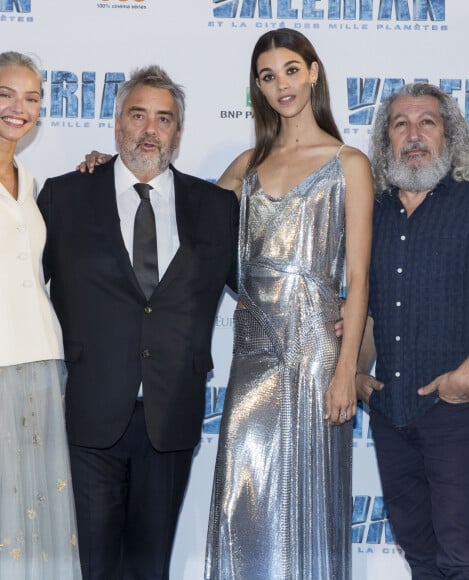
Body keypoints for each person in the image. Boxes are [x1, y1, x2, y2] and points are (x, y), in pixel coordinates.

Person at [37, 65, 239, 580]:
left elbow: (259, 290)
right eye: (138, 115)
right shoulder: (65, 197)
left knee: (151, 570)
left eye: (164, 119)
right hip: (89, 413)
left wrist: (334, 317)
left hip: (171, 415)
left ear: (178, 132)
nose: (151, 129)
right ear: (117, 125)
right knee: (94, 568)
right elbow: (20, 287)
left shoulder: (216, 207)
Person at [204, 28, 373, 579]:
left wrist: (346, 368)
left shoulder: (348, 163)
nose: (282, 85)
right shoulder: (247, 164)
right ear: (256, 87)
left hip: (315, 352)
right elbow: (188, 215)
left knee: (308, 493)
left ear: (314, 72)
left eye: (292, 70)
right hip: (253, 351)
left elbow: (359, 276)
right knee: (242, 496)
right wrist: (111, 168)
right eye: (268, 76)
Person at [356, 82, 469, 579]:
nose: (414, 135)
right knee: (419, 553)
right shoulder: (373, 211)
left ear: (449, 135)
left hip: (457, 413)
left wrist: (466, 378)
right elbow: (367, 308)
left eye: (427, 122)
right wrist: (359, 377)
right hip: (390, 411)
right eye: (400, 124)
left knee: (462, 555)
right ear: (385, 138)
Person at [0, 51, 81, 579]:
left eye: (32, 99)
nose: (19, 109)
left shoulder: (28, 183)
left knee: (37, 515)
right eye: (6, 94)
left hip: (43, 363)